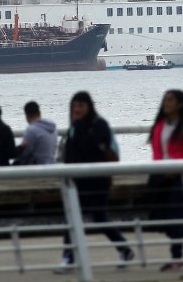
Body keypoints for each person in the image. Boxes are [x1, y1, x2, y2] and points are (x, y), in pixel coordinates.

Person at [56, 92, 133, 273]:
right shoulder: (74, 128)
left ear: (89, 107)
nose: (77, 109)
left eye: (81, 106)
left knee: (95, 217)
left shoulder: (99, 125)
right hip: (78, 180)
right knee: (77, 217)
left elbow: (107, 150)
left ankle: (70, 257)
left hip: (98, 181)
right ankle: (69, 256)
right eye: (74, 106)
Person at [147, 89, 183, 272]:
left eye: (170, 100)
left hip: (179, 178)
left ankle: (177, 257)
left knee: (175, 216)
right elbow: (157, 152)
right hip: (160, 176)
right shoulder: (159, 126)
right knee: (159, 216)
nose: (166, 103)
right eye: (165, 100)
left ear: (180, 104)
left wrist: (180, 170)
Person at [13, 101, 57, 165]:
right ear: (39, 112)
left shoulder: (32, 130)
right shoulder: (52, 128)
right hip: (51, 164)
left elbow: (25, 153)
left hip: (37, 169)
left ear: (27, 115)